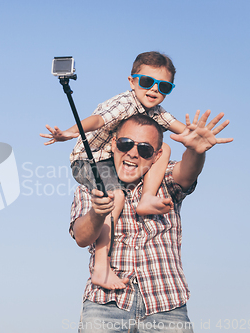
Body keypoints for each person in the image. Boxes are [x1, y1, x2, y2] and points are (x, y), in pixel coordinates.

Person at [70, 111, 232, 332]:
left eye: (144, 149)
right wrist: (97, 213)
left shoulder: (164, 182)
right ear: (114, 146)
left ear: (156, 156)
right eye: (126, 144)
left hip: (166, 305)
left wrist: (195, 151)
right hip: (105, 304)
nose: (134, 153)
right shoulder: (91, 186)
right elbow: (81, 236)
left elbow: (187, 172)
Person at [41, 51, 186, 290]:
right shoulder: (125, 103)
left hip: (113, 159)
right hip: (90, 161)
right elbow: (98, 120)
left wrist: (198, 137)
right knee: (115, 197)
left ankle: (147, 197)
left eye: (164, 87)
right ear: (132, 82)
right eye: (147, 82)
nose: (154, 90)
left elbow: (180, 128)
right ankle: (101, 268)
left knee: (166, 147)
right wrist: (70, 132)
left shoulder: (156, 112)